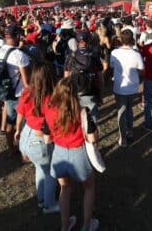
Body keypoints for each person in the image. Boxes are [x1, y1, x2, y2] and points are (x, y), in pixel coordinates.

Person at [42, 77, 99, 231]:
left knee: (64, 189)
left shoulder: (48, 109)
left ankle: (65, 226)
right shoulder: (82, 112)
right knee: (89, 187)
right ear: (75, 94)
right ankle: (87, 226)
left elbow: (47, 138)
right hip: (78, 153)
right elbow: (92, 138)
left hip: (59, 154)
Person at [14, 63, 58, 213]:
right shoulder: (50, 98)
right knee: (51, 172)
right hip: (39, 140)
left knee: (40, 168)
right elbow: (51, 123)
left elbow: (20, 113)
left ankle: (41, 199)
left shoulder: (26, 92)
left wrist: (17, 130)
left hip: (26, 135)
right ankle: (49, 204)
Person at [0, 24, 30, 156]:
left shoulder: (0, 50)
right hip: (21, 94)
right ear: (17, 36)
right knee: (24, 125)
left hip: (8, 92)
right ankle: (24, 153)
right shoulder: (20, 55)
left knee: (10, 123)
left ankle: (11, 149)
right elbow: (26, 81)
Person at [109, 29, 144, 147]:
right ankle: (129, 132)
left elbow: (112, 66)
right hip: (132, 87)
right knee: (129, 109)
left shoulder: (114, 53)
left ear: (121, 40)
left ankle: (123, 137)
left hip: (120, 87)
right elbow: (141, 70)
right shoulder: (136, 54)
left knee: (122, 111)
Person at [64, 31, 103, 123]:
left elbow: (65, 79)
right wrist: (100, 95)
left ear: (77, 42)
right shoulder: (94, 56)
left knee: (76, 121)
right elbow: (101, 79)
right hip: (91, 92)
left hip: (75, 93)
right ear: (89, 41)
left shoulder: (70, 57)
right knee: (92, 123)